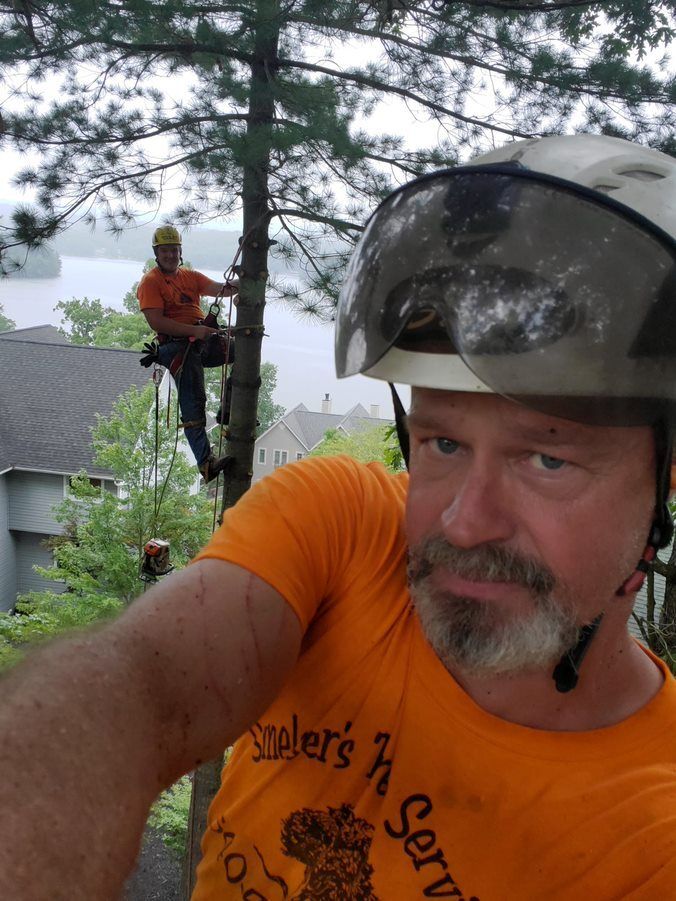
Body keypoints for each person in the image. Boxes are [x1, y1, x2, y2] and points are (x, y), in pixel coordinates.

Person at [2, 134, 676, 900]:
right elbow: (135, 686)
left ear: (664, 481)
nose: (463, 522)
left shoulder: (652, 841)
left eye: (547, 459)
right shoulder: (341, 527)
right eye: (443, 442)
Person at [137, 224, 238, 482]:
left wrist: (244, 280)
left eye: (174, 250)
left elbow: (220, 290)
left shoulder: (190, 277)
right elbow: (157, 322)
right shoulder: (151, 282)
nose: (170, 255)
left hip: (199, 340)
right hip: (176, 346)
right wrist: (194, 330)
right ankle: (206, 464)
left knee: (241, 349)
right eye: (165, 251)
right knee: (194, 403)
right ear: (157, 253)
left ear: (180, 251)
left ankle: (229, 407)